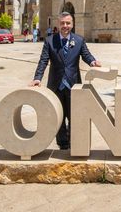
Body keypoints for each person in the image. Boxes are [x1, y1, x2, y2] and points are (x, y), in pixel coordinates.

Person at [30, 12, 101, 150]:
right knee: (59, 116)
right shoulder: (50, 41)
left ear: (72, 24)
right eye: (62, 23)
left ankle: (75, 143)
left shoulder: (79, 40)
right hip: (55, 85)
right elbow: (43, 60)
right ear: (58, 24)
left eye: (68, 23)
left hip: (73, 85)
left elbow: (86, 55)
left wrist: (92, 61)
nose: (65, 26)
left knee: (74, 115)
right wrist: (37, 78)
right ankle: (63, 144)